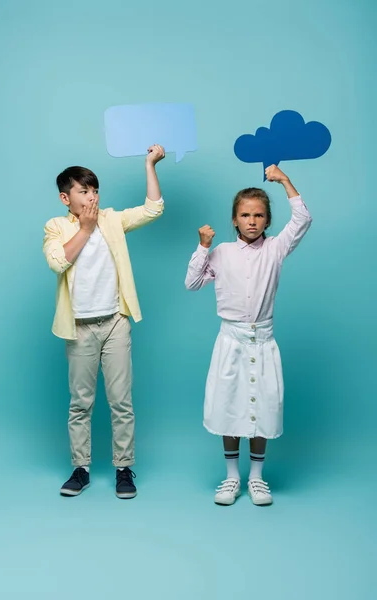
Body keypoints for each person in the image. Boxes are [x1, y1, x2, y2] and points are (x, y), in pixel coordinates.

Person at [185, 165, 312, 506]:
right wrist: (202, 246)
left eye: (258, 215)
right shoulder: (222, 253)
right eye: (245, 215)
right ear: (234, 219)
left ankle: (256, 478)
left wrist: (284, 181)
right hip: (231, 341)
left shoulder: (276, 249)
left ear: (267, 220)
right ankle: (231, 477)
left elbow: (302, 220)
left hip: (264, 340)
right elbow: (193, 282)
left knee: (262, 407)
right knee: (229, 405)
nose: (252, 221)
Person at [43, 144, 165, 498]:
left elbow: (153, 209)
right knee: (80, 403)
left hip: (115, 322)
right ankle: (80, 469)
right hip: (78, 326)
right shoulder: (56, 226)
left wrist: (149, 164)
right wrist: (85, 227)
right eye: (84, 191)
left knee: (121, 401)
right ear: (67, 198)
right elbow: (57, 262)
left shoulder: (112, 219)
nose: (92, 196)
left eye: (95, 190)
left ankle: (124, 469)